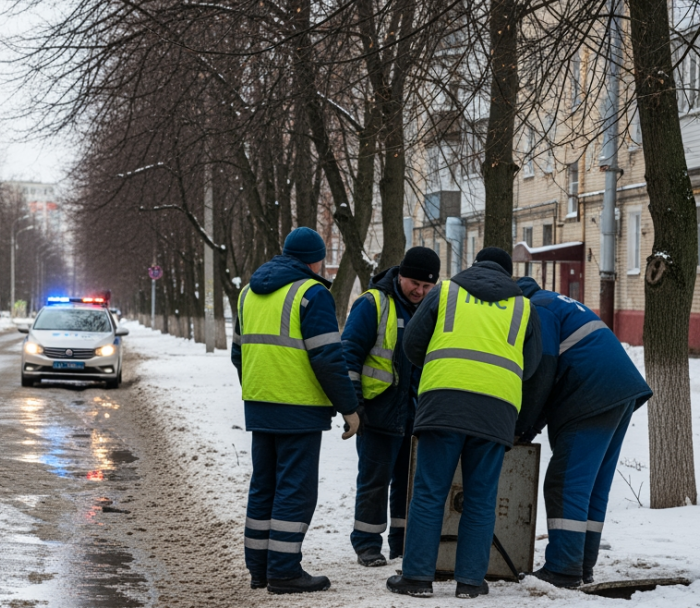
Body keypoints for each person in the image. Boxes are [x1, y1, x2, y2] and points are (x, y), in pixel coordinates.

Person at [387, 247, 542, 599]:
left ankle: (417, 578)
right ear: (508, 273)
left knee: (428, 493)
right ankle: (471, 582)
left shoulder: (446, 291)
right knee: (481, 498)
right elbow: (531, 367)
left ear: (474, 266)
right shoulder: (523, 306)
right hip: (496, 410)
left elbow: (411, 343)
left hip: (442, 403)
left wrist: (438, 363)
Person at [231, 227, 361, 594]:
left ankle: (260, 569)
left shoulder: (248, 294)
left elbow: (238, 354)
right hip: (299, 408)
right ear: (316, 260)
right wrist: (349, 408)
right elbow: (328, 359)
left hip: (260, 405)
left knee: (264, 487)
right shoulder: (312, 293)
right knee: (295, 490)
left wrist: (260, 389)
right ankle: (284, 571)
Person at [514, 276, 653, 588]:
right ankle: (581, 564)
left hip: (590, 394)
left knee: (565, 482)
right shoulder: (556, 302)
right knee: (591, 486)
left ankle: (563, 568)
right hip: (619, 391)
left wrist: (522, 427)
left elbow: (543, 372)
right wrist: (532, 426)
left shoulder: (538, 310)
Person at [342, 247, 440, 567]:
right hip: (379, 413)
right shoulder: (372, 304)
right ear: (400, 275)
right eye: (414, 283)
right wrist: (354, 405)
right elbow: (349, 356)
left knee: (407, 485)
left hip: (416, 414)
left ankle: (401, 544)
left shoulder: (431, 308)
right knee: (374, 482)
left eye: (427, 286)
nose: (420, 291)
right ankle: (367, 544)